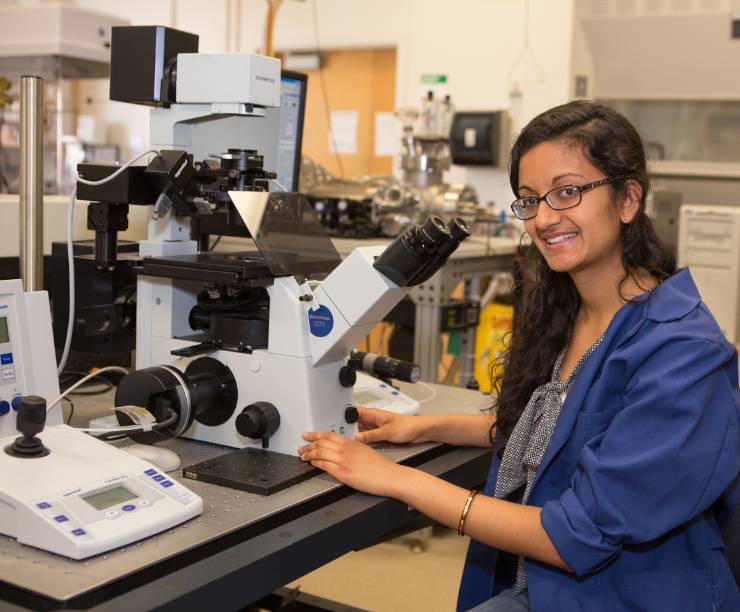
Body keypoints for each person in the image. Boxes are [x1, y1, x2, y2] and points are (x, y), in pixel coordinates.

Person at [299, 100, 740, 611]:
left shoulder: (683, 354)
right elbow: (563, 429)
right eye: (529, 200)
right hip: (548, 583)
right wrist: (420, 427)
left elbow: (574, 535)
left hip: (622, 596)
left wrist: (397, 479)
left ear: (627, 199)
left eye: (567, 192)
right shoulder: (574, 310)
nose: (545, 218)